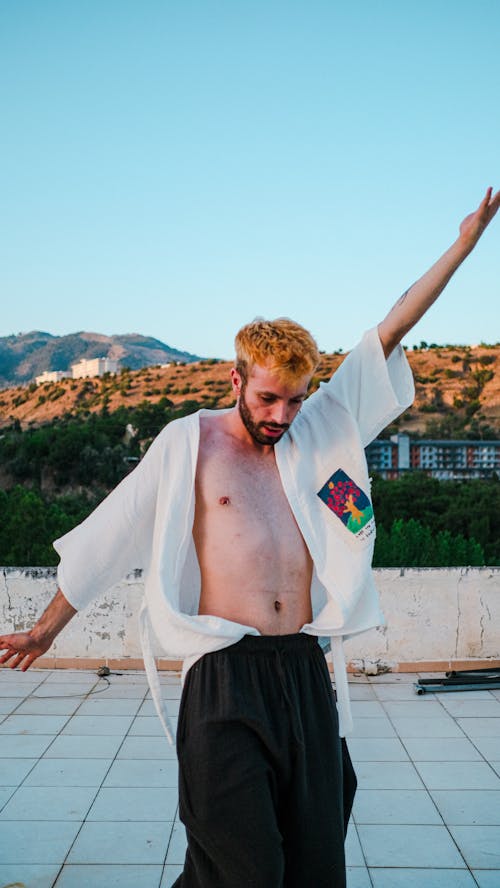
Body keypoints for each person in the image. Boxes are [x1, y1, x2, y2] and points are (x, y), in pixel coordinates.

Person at [1, 188, 499, 887]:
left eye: (295, 399)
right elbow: (109, 535)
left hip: (303, 668)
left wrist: (464, 245)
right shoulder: (189, 445)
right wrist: (46, 631)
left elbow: (387, 332)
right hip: (225, 676)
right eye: (268, 397)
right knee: (241, 865)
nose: (281, 414)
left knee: (315, 862)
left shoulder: (320, 429)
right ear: (235, 378)